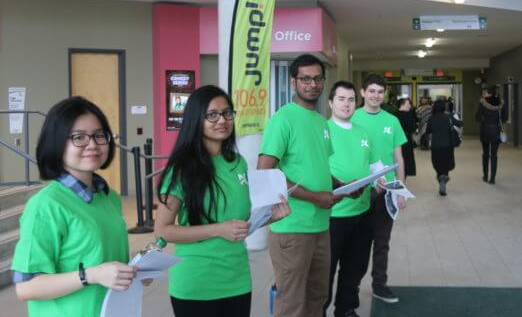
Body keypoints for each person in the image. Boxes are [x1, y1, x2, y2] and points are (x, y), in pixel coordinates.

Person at [155, 85, 290, 317]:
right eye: (212, 115)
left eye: (227, 113)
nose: (222, 120)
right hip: (196, 282)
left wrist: (269, 217)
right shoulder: (181, 169)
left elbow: (236, 225)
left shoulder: (237, 162)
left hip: (237, 279)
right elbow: (164, 230)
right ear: (196, 119)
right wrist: (218, 229)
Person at [11, 97, 135, 317]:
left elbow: (102, 261)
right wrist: (91, 275)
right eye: (79, 137)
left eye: (99, 135)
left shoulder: (109, 197)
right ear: (57, 144)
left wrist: (128, 274)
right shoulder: (45, 205)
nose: (93, 145)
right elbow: (26, 287)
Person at [258, 54, 343, 317]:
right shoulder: (283, 119)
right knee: (292, 302)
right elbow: (265, 170)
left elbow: (315, 166)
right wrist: (314, 197)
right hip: (292, 227)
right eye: (305, 79)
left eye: (318, 78)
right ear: (293, 81)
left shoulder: (320, 121)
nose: (313, 84)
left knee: (318, 296)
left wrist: (339, 185)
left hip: (320, 225)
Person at [324, 81, 380, 317]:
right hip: (332, 216)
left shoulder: (362, 132)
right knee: (325, 270)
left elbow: (375, 165)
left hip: (362, 212)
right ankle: (320, 310)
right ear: (330, 103)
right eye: (341, 99)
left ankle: (346, 309)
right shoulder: (322, 131)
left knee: (355, 267)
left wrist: (385, 182)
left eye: (350, 100)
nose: (346, 105)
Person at [351, 74, 407, 304]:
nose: (376, 95)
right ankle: (350, 287)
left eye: (380, 92)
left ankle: (379, 285)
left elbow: (398, 157)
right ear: (363, 92)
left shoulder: (392, 121)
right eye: (371, 91)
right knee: (357, 243)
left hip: (387, 191)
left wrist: (401, 188)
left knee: (382, 242)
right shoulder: (351, 117)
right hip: (360, 191)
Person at [426, 99, 463, 196]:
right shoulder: (448, 116)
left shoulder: (431, 118)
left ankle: (441, 179)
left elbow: (428, 131)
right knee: (446, 165)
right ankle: (443, 180)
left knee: (437, 165)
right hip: (448, 145)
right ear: (443, 107)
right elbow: (460, 124)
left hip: (435, 146)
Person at [475, 86, 504, 184]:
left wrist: (484, 119)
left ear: (489, 94)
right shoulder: (500, 103)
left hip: (485, 131)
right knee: (494, 155)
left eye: (486, 93)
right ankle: (493, 179)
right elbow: (504, 118)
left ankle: (485, 176)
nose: (485, 94)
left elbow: (477, 118)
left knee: (485, 154)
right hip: (496, 131)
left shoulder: (483, 103)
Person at [397, 98, 417, 178]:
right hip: (406, 141)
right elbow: (413, 128)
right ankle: (402, 179)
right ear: (402, 104)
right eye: (408, 104)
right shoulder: (409, 115)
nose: (410, 106)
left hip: (395, 142)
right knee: (406, 161)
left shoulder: (393, 115)